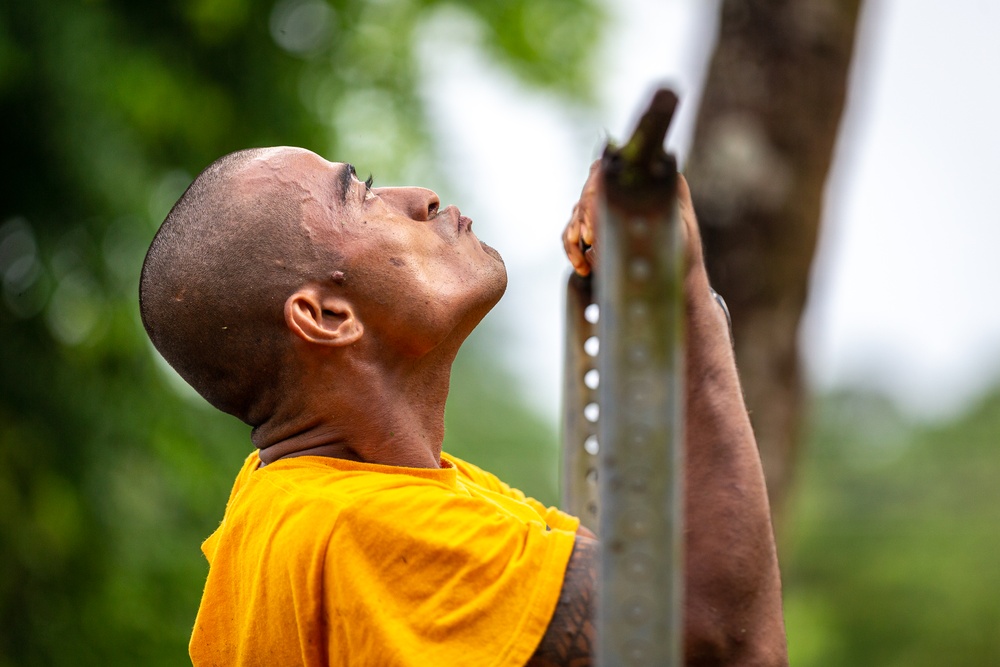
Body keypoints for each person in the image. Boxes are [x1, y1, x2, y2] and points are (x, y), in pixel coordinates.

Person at [139, 146, 787, 666]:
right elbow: (726, 638)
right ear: (325, 316)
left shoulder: (308, 502)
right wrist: (681, 295)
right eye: (360, 194)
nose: (417, 198)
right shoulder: (365, 531)